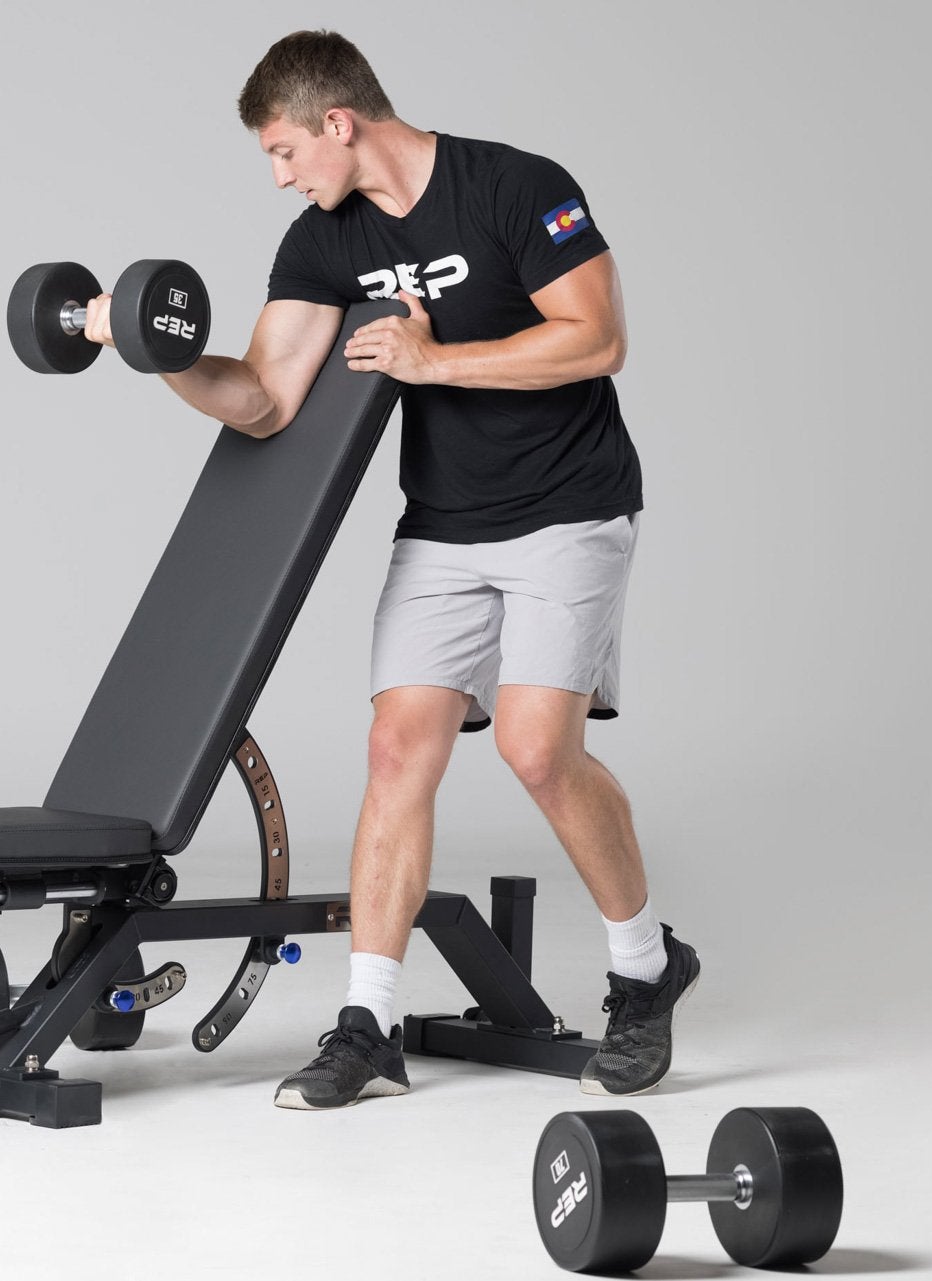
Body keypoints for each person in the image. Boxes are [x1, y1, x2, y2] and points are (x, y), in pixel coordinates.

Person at [81, 30, 699, 1106]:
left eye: (283, 152)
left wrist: (434, 360)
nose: (279, 177)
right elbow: (265, 398)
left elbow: (596, 338)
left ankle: (645, 971)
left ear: (339, 123)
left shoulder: (516, 186)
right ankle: (367, 1024)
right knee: (395, 747)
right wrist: (157, 351)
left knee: (536, 749)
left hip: (568, 507)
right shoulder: (323, 242)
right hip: (445, 524)